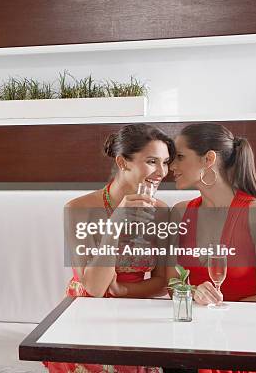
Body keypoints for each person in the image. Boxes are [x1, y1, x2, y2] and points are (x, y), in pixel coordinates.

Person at [45, 123, 175, 373]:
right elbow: (93, 287)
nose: (162, 172)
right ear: (123, 162)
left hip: (133, 308)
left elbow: (163, 283)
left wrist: (124, 289)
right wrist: (115, 224)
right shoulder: (78, 209)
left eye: (166, 162)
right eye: (151, 161)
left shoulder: (161, 212)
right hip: (85, 312)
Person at [167, 123, 256, 373]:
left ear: (209, 159)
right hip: (192, 345)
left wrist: (212, 314)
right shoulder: (179, 213)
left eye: (179, 157)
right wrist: (192, 294)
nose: (171, 167)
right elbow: (172, 285)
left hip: (247, 347)